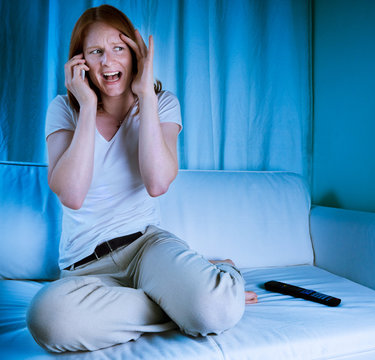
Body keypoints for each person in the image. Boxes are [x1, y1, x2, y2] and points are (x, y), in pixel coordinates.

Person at [26, 5, 257, 353]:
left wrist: (146, 94)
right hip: (85, 270)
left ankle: (216, 285)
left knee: (217, 309)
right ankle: (181, 300)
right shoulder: (63, 108)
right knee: (48, 320)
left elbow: (157, 183)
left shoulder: (162, 103)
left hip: (147, 249)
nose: (108, 62)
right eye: (96, 52)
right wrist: (86, 107)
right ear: (81, 61)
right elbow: (72, 195)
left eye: (118, 48)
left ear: (136, 54)